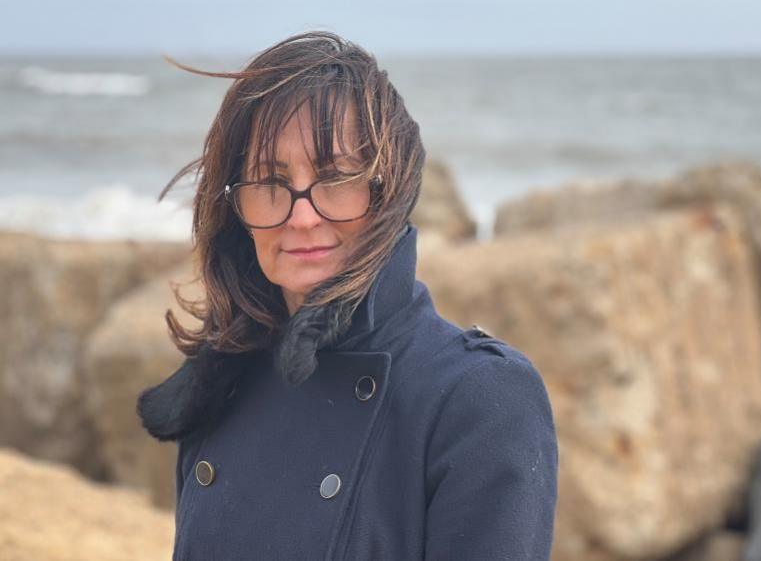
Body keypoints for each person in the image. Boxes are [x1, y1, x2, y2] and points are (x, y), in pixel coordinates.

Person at [135, 30, 558, 560]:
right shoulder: (220, 384)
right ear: (235, 208)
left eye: (336, 178)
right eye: (270, 182)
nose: (303, 215)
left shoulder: (481, 398)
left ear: (388, 190)